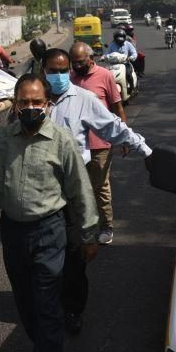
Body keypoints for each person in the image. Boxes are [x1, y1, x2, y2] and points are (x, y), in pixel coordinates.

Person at [0, 74, 97, 352]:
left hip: (49, 232)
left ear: (47, 104)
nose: (30, 107)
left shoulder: (61, 141)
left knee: (46, 305)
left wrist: (88, 234)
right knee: (24, 302)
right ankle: (41, 349)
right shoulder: (4, 138)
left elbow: (80, 190)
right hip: (12, 232)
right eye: (23, 102)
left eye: (36, 102)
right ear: (14, 103)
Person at [41, 48, 152, 334]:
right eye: (52, 71)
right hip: (41, 194)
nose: (58, 76)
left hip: (72, 191)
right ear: (42, 70)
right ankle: (49, 309)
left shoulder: (83, 100)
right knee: (44, 260)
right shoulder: (32, 100)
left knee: (74, 258)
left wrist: (144, 148)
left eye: (63, 70)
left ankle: (74, 310)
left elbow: (112, 126)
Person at [69, 42, 127, 246]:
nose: (76, 67)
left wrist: (123, 136)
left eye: (80, 62)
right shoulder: (69, 79)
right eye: (73, 63)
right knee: (76, 187)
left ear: (91, 58)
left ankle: (106, 227)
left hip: (100, 143)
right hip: (75, 143)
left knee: (100, 186)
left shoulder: (106, 76)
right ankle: (82, 225)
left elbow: (117, 107)